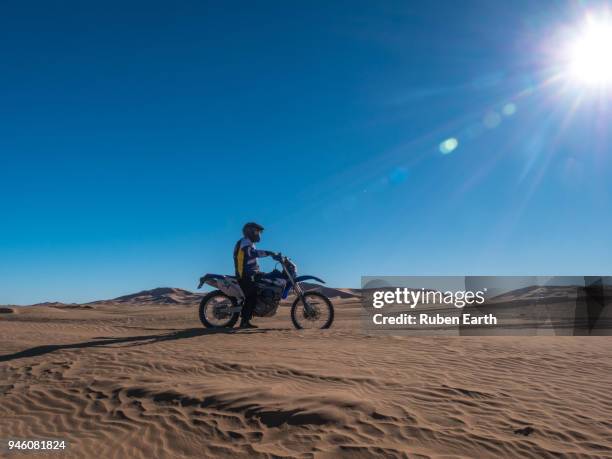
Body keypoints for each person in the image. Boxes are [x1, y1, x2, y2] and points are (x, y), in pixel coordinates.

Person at [233, 222, 278, 328]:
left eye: (259, 232)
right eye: (257, 231)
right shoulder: (244, 242)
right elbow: (251, 253)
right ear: (250, 232)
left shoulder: (250, 243)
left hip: (252, 273)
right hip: (244, 275)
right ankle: (244, 322)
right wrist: (269, 253)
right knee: (251, 296)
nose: (259, 234)